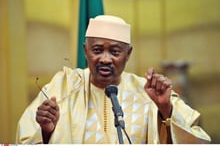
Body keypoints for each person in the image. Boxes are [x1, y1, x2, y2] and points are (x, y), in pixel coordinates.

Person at [16, 15, 211, 144]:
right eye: (97, 50)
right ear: (85, 51)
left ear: (128, 53)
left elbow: (199, 141)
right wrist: (46, 133)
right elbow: (23, 140)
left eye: (115, 51)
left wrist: (165, 110)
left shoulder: (149, 91)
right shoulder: (62, 87)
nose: (105, 59)